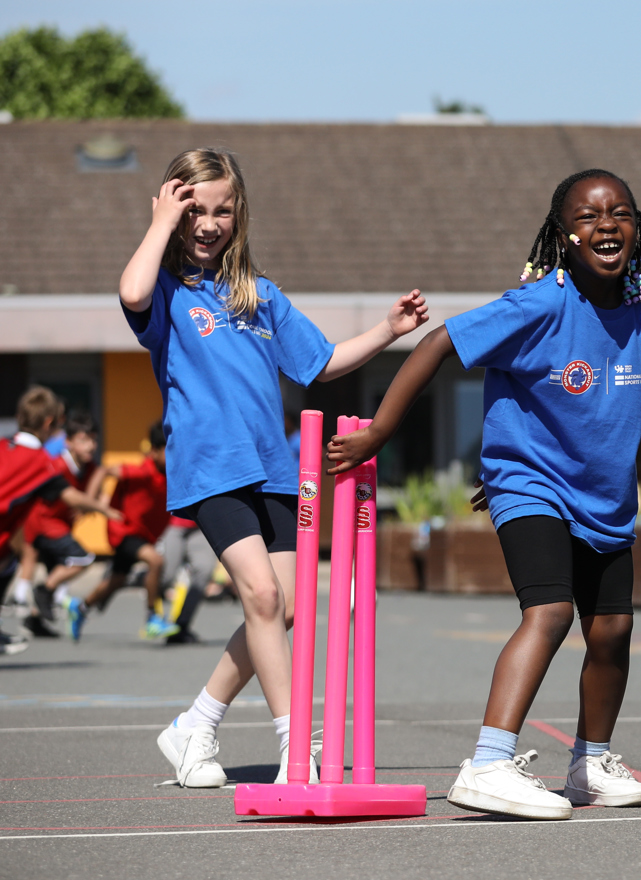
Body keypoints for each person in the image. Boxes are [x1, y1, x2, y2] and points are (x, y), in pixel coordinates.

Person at [329, 169, 641, 820]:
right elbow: (439, 342)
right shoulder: (539, 304)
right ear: (563, 236)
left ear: (637, 228)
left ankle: (590, 762)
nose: (606, 225)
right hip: (534, 486)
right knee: (551, 612)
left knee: (614, 630)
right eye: (588, 216)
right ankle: (488, 762)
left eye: (620, 212)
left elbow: (592, 410)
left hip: (605, 498)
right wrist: (381, 433)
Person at [119, 147, 428, 787]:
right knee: (261, 596)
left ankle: (194, 725)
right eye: (194, 210)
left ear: (240, 214)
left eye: (222, 211)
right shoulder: (168, 290)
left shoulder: (260, 295)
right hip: (212, 468)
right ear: (173, 210)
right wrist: (159, 224)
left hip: (275, 471)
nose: (208, 224)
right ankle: (294, 743)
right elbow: (132, 291)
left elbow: (321, 362)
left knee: (281, 608)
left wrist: (388, 330)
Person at [0, 388, 120, 654]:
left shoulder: (3, 445)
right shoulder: (42, 463)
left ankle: (35, 614)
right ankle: (40, 596)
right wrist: (105, 509)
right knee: (75, 558)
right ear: (49, 424)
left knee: (10, 565)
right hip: (32, 529)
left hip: (25, 534)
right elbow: (72, 497)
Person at [14, 410, 104, 641]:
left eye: (94, 440)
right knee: (83, 558)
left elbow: (93, 496)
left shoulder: (90, 468)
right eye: (83, 440)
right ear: (69, 442)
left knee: (55, 570)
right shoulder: (56, 466)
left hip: (60, 525)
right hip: (43, 523)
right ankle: (41, 590)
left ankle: (34, 620)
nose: (90, 445)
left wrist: (95, 503)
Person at [81, 422, 175, 639]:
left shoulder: (171, 473)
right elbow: (104, 470)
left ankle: (80, 608)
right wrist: (90, 500)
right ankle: (152, 618)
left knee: (117, 580)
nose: (174, 456)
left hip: (143, 536)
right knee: (156, 561)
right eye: (168, 450)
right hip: (124, 532)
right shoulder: (142, 471)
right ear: (154, 451)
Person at [157, 514, 220, 645]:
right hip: (171, 522)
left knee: (204, 570)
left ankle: (181, 626)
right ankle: (152, 615)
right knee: (166, 575)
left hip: (200, 524)